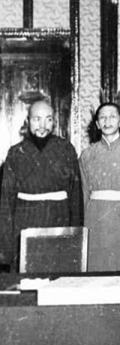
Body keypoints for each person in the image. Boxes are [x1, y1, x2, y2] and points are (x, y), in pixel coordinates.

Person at [0, 99, 82, 269]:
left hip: (59, 220)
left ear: (54, 122)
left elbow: (76, 196)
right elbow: (6, 201)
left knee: (58, 272)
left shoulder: (66, 149)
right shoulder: (15, 153)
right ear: (28, 121)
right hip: (25, 223)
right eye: (37, 119)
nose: (43, 125)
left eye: (48, 119)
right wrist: (6, 248)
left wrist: (75, 235)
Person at [79, 102, 120, 271]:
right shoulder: (87, 155)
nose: (107, 121)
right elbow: (83, 194)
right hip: (95, 218)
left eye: (112, 117)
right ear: (97, 124)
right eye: (102, 117)